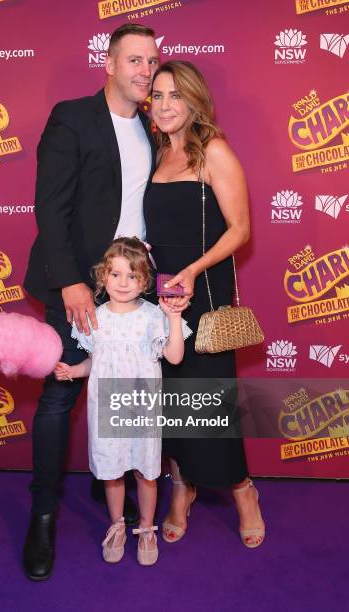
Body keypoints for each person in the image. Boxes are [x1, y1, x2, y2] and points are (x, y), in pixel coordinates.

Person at [23, 24, 160, 580]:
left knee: (126, 387)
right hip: (78, 281)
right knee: (60, 397)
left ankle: (119, 485)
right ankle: (44, 514)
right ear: (108, 63)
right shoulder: (72, 117)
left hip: (130, 281)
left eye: (152, 61)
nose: (145, 71)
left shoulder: (153, 126)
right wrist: (70, 281)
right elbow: (49, 207)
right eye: (134, 60)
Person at [144, 61, 265, 548]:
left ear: (195, 100)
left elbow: (240, 229)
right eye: (157, 95)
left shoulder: (213, 150)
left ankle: (243, 491)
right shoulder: (154, 154)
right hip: (161, 301)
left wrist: (194, 270)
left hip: (204, 297)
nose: (165, 105)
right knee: (169, 403)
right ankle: (182, 488)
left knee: (211, 404)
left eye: (175, 95)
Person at [53, 237, 190, 566]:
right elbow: (95, 361)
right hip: (107, 409)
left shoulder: (152, 316)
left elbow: (173, 356)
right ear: (103, 277)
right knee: (112, 473)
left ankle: (146, 528)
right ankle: (116, 526)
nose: (123, 283)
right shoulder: (95, 318)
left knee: (146, 473)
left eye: (132, 276)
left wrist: (173, 318)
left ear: (144, 281)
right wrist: (74, 370)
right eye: (115, 275)